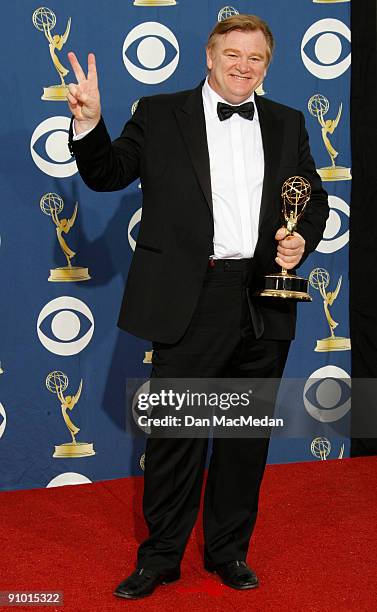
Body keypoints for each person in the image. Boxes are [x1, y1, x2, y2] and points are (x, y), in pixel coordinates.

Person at [67, 14, 328, 600]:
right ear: (209, 57)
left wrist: (300, 238)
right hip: (192, 298)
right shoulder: (159, 114)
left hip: (263, 298)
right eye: (232, 54)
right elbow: (109, 174)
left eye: (256, 58)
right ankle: (160, 558)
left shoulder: (288, 122)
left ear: (268, 64)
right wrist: (87, 123)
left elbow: (311, 196)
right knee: (176, 437)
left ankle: (228, 552)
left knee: (243, 437)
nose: (243, 66)